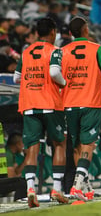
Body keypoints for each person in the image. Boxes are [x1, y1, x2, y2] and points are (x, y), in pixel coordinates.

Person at [54, 17, 101, 201]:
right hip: (90, 103)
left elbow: (54, 75)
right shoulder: (97, 49)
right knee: (88, 145)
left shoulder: (62, 51)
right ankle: (76, 187)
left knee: (76, 147)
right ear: (85, 30)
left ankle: (86, 188)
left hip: (69, 104)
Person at [13, 17, 68, 207]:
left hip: (29, 103)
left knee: (32, 147)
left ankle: (31, 189)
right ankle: (57, 189)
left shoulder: (26, 52)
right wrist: (63, 83)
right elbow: (54, 73)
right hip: (50, 103)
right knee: (60, 143)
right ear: (53, 32)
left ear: (37, 33)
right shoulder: (55, 51)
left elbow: (16, 78)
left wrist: (32, 82)